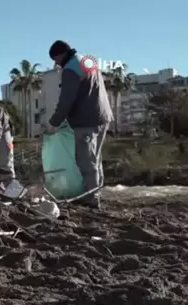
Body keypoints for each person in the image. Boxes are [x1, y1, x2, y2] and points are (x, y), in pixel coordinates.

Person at [45, 40, 113, 209]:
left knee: (86, 160)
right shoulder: (86, 61)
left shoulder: (70, 69)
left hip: (87, 121)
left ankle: (92, 198)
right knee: (95, 159)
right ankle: (95, 192)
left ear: (61, 55)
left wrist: (54, 122)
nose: (56, 63)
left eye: (55, 59)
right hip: (102, 116)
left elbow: (66, 99)